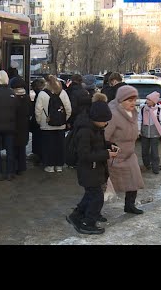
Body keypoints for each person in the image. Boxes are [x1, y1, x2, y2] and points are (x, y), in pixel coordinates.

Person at [66, 92, 118, 235]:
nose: (106, 124)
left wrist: (109, 145)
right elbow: (84, 154)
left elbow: (97, 144)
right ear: (96, 118)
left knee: (90, 195)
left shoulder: (96, 128)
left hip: (94, 169)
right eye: (104, 121)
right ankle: (88, 223)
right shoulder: (85, 131)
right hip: (88, 169)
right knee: (97, 198)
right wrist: (106, 154)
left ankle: (76, 215)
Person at [105, 85, 145, 214]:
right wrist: (111, 150)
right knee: (105, 187)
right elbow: (104, 137)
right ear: (121, 101)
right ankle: (91, 212)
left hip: (129, 154)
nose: (133, 103)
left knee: (134, 180)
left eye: (134, 100)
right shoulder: (113, 115)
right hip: (115, 157)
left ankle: (130, 206)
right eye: (129, 100)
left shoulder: (133, 113)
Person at [34, 75, 72, 173]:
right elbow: (68, 109)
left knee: (48, 146)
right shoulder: (63, 93)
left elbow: (38, 110)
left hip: (46, 125)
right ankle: (59, 165)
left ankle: (49, 166)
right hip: (60, 125)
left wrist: (40, 121)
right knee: (60, 146)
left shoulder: (42, 94)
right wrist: (64, 119)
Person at [0, 70, 18, 181]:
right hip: (10, 127)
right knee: (10, 150)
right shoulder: (12, 93)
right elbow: (17, 109)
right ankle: (10, 172)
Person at [138, 91, 161, 174]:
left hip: (155, 133)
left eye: (149, 100)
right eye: (147, 99)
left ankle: (155, 167)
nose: (147, 101)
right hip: (144, 133)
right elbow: (139, 119)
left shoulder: (158, 110)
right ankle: (147, 164)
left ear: (154, 101)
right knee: (144, 151)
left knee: (154, 151)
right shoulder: (143, 109)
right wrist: (139, 130)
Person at [10, 76, 31, 175]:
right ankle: (22, 167)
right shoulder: (27, 97)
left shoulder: (12, 97)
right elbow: (30, 111)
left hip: (14, 125)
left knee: (13, 148)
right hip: (24, 126)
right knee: (22, 148)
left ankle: (14, 167)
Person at [29, 77, 46, 164]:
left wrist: (37, 121)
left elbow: (37, 110)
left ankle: (38, 156)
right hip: (42, 121)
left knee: (37, 139)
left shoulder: (39, 95)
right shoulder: (44, 94)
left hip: (38, 121)